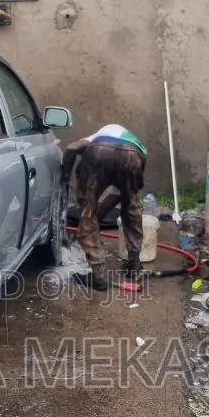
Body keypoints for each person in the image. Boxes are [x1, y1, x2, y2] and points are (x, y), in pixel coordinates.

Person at [61, 124, 148, 291]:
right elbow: (117, 195)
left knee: (87, 211)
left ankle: (98, 276)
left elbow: (71, 148)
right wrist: (97, 218)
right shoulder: (133, 140)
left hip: (99, 154)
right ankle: (134, 265)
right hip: (134, 157)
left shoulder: (96, 137)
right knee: (131, 209)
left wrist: (65, 176)